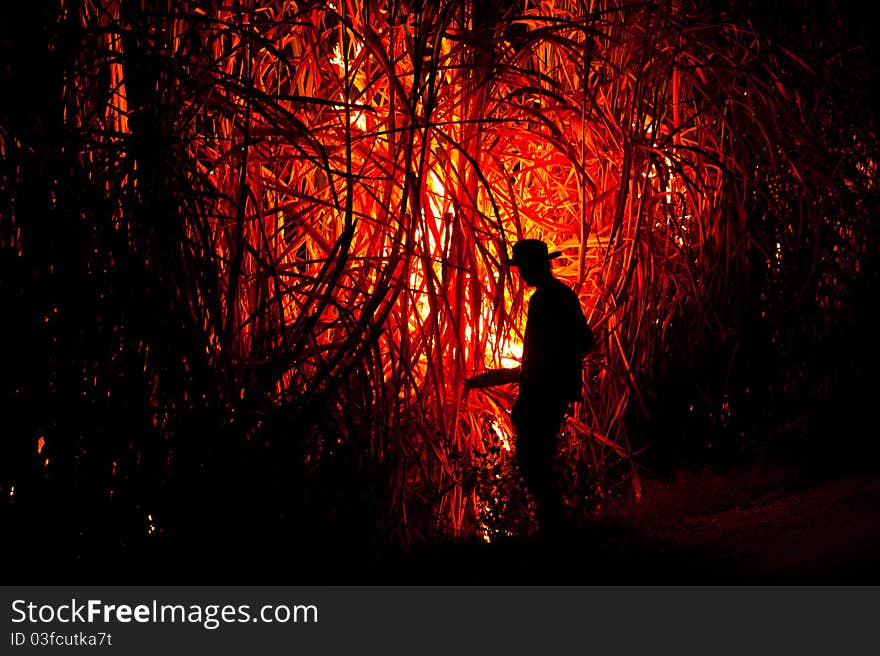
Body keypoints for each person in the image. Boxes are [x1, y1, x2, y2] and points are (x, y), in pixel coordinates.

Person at [504, 239, 594, 532]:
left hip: (542, 392)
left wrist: (524, 399)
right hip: (557, 390)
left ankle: (554, 524)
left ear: (534, 267)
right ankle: (554, 524)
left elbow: (535, 357)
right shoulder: (564, 295)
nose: (521, 274)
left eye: (522, 268)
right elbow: (585, 340)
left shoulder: (542, 301)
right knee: (540, 456)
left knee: (531, 459)